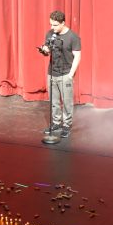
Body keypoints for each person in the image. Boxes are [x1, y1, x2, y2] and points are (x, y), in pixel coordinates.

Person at [39, 10, 82, 138]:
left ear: (63, 23)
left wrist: (70, 75)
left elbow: (78, 56)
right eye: (51, 24)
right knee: (54, 101)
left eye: (55, 25)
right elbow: (47, 50)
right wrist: (44, 50)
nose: (52, 27)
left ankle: (66, 126)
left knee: (67, 102)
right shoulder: (50, 34)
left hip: (65, 73)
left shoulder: (73, 37)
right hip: (52, 73)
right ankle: (56, 123)